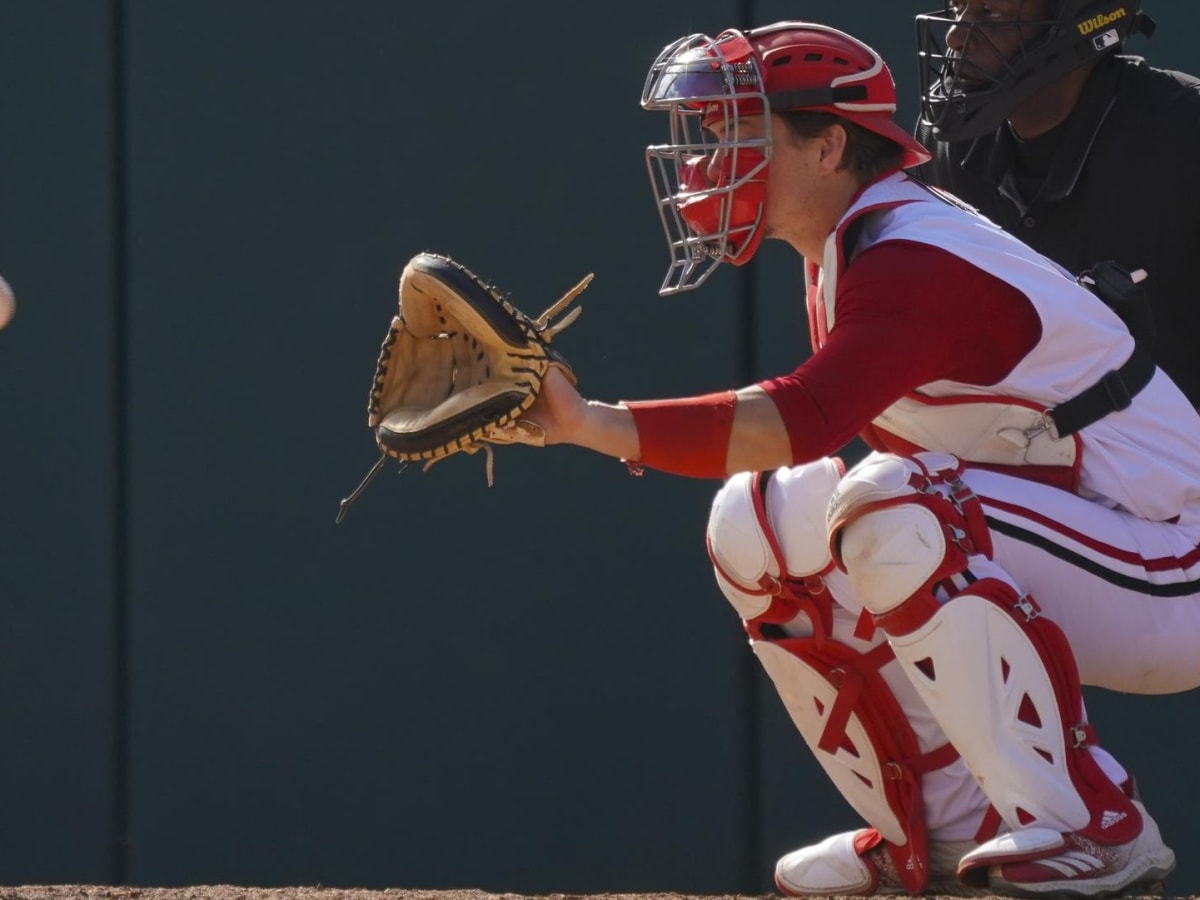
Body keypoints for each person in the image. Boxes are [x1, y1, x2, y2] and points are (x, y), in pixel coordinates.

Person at [504, 18, 1200, 897]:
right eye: (714, 134)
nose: (712, 162)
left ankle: (1096, 827)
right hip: (1102, 539)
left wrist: (589, 422)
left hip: (1176, 559)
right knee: (758, 521)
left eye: (740, 133)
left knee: (896, 507)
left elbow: (802, 418)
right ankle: (948, 834)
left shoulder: (911, 254)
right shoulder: (854, 241)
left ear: (829, 145)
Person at [912, 0, 1200, 404]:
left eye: (991, 14)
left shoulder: (1186, 137)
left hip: (1175, 457)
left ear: (1076, 21)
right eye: (959, 9)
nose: (956, 36)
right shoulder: (945, 146)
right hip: (1019, 453)